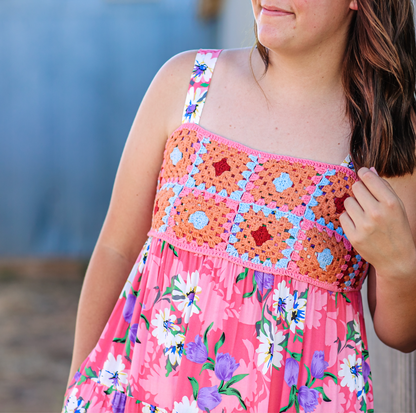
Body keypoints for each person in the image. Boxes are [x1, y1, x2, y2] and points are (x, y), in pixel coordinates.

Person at [61, 0, 416, 411]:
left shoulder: (386, 132)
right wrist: (79, 388)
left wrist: (398, 264)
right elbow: (115, 249)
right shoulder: (187, 84)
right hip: (142, 394)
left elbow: (400, 334)